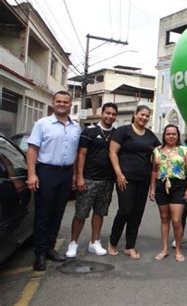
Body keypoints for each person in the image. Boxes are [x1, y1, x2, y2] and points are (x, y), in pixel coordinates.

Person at [26, 91, 81, 271]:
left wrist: (73, 175)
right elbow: (32, 150)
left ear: (70, 104)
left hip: (65, 174)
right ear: (53, 103)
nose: (62, 104)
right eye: (59, 101)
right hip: (46, 172)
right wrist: (32, 175)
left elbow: (74, 154)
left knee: (58, 213)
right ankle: (40, 254)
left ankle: (50, 248)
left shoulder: (76, 128)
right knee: (43, 214)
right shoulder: (42, 124)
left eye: (65, 102)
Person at [65, 103, 118, 258]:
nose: (110, 116)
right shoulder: (89, 131)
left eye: (113, 114)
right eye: (107, 113)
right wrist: (79, 176)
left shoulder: (116, 134)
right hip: (89, 179)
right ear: (102, 113)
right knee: (81, 213)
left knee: (100, 213)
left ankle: (94, 242)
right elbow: (81, 154)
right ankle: (73, 243)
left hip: (107, 181)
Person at [108, 105, 160, 260]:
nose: (144, 118)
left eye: (146, 116)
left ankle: (130, 246)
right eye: (141, 115)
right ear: (135, 115)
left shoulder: (150, 135)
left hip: (143, 179)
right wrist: (119, 174)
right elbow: (112, 152)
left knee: (137, 213)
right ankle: (112, 242)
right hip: (125, 178)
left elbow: (161, 152)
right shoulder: (123, 131)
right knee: (125, 210)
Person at [149, 124, 187, 262]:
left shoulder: (184, 150)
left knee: (176, 220)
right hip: (162, 185)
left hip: (178, 185)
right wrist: (152, 188)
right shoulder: (157, 150)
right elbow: (154, 171)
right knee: (164, 218)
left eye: (174, 134)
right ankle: (165, 249)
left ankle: (178, 249)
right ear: (164, 135)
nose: (171, 136)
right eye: (168, 134)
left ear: (178, 135)